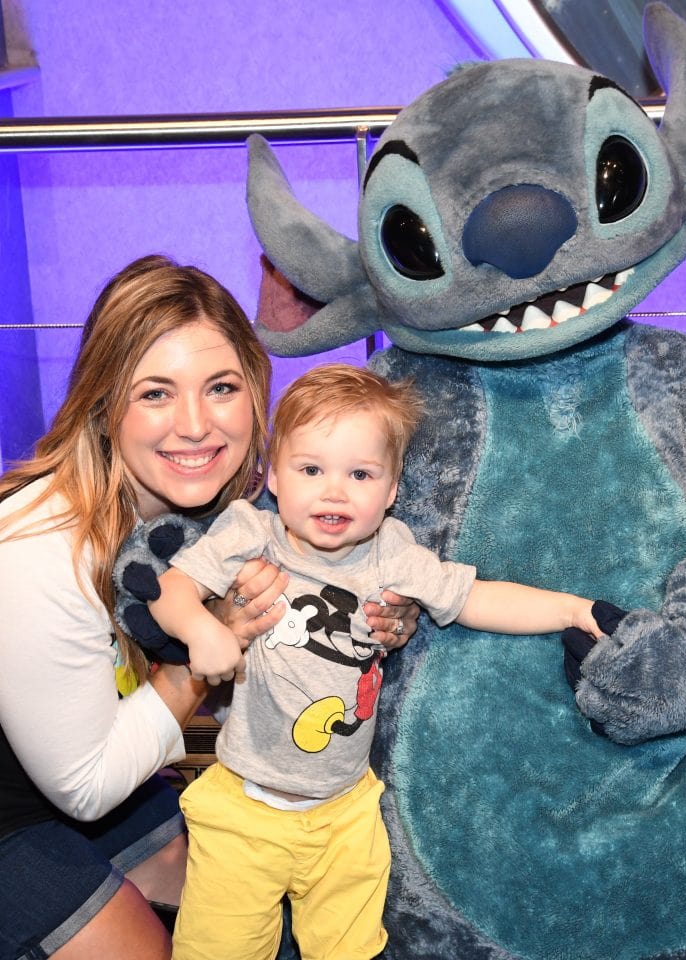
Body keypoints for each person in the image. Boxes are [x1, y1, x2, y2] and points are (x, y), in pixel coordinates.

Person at [0, 257, 420, 960]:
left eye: (222, 387)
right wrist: (208, 650)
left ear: (256, 394)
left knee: (258, 902)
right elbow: (87, 786)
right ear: (104, 404)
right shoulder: (39, 552)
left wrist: (388, 614)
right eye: (155, 394)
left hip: (70, 770)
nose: (196, 425)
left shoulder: (229, 518)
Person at [148, 363, 606, 960]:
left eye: (360, 473)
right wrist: (200, 627)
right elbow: (169, 590)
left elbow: (475, 597)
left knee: (352, 950)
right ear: (275, 478)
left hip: (345, 814)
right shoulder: (251, 533)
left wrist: (573, 609)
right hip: (245, 809)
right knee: (218, 949)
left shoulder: (393, 552)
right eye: (311, 469)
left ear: (390, 491)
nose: (334, 490)